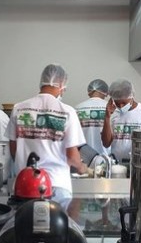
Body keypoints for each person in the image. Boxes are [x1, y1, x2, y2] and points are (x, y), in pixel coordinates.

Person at [6, 64, 87, 208]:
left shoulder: (19, 108)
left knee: (25, 222)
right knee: (56, 222)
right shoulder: (67, 111)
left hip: (25, 186)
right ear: (61, 84)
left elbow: (13, 150)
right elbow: (72, 157)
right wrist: (82, 168)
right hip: (57, 185)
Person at [101, 79, 141, 163]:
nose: (121, 106)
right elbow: (106, 143)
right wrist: (107, 117)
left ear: (132, 97)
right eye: (117, 103)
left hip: (139, 163)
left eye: (124, 103)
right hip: (117, 164)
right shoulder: (113, 113)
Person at [75, 79, 110, 157]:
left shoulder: (77, 108)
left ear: (89, 91)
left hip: (84, 157)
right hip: (106, 157)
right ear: (105, 92)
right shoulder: (111, 108)